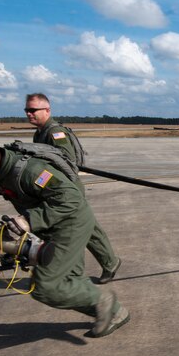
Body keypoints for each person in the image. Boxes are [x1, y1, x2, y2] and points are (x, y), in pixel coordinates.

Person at [0, 134, 129, 337]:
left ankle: (104, 303)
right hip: (50, 226)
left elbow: (71, 199)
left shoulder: (32, 171)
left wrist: (27, 220)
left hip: (70, 223)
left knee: (45, 287)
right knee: (71, 282)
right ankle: (114, 312)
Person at [24, 93, 121, 283]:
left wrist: (40, 179)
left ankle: (87, 269)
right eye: (27, 110)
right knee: (87, 226)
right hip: (55, 188)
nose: (29, 114)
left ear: (47, 110)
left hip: (67, 188)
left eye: (33, 110)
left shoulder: (55, 133)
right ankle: (109, 263)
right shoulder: (40, 133)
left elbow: (65, 161)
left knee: (78, 228)